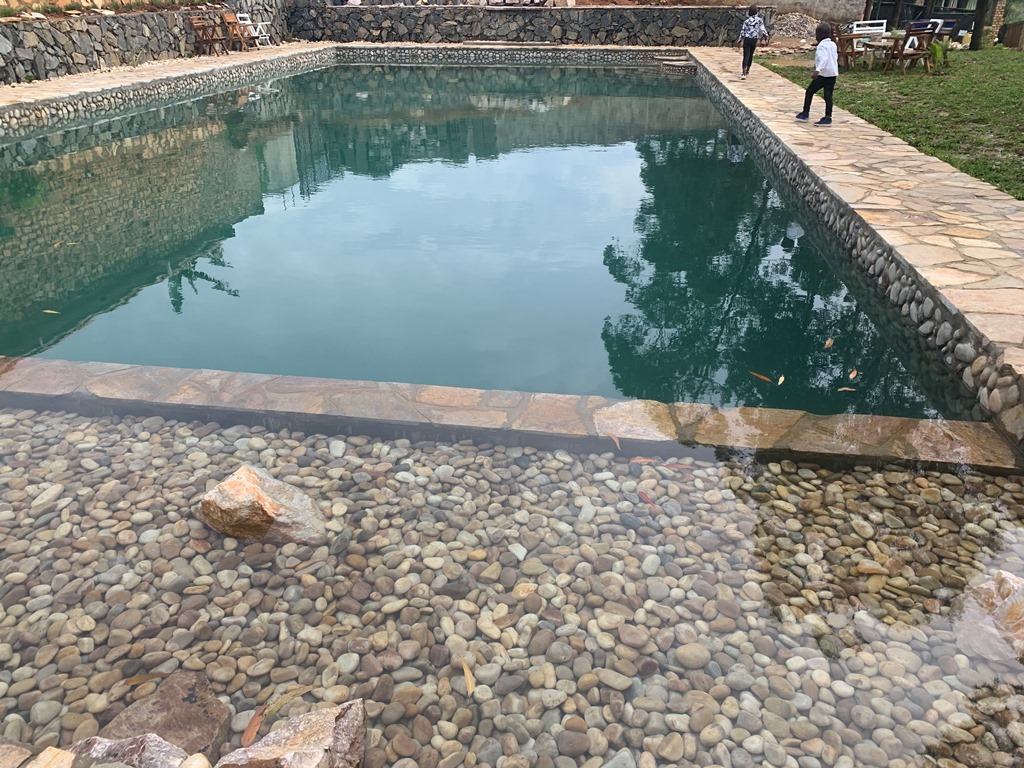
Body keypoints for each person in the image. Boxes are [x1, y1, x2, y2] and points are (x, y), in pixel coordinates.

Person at [795, 22, 838, 126]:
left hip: (823, 75)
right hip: (832, 74)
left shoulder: (822, 46)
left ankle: (805, 113)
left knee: (809, 92)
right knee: (828, 96)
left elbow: (823, 59)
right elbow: (835, 57)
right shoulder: (833, 44)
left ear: (820, 35)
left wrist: (817, 71)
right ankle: (828, 117)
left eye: (817, 34)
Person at [735, 5, 769, 80]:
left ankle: (743, 73)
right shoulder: (759, 20)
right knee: (750, 55)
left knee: (746, 55)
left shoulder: (747, 21)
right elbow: (762, 29)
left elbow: (743, 31)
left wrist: (739, 40)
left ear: (749, 12)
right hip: (754, 40)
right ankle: (747, 71)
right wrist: (766, 37)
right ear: (756, 12)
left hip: (747, 40)